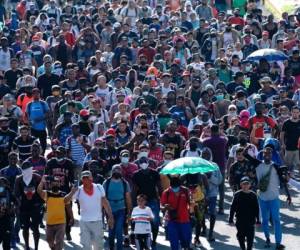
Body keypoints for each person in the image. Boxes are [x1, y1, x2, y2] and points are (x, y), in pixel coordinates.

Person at [244, 147, 290, 250]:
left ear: (272, 155)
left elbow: (284, 181)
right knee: (264, 220)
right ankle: (268, 239)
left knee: (276, 220)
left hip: (274, 198)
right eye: (265, 153)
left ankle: (278, 243)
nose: (267, 155)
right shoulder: (258, 164)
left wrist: (289, 195)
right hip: (262, 198)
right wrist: (248, 147)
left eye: (269, 153)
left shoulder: (276, 167)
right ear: (262, 154)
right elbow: (245, 154)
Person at [74, 170, 114, 250]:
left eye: (87, 178)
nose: (86, 180)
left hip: (97, 221)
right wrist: (72, 191)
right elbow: (68, 201)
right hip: (84, 222)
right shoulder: (78, 190)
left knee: (98, 246)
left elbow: (105, 203)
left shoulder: (99, 187)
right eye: (84, 178)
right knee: (86, 246)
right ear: (82, 179)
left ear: (91, 178)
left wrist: (110, 217)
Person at [37, 175, 77, 250]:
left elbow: (68, 206)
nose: (55, 184)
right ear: (50, 184)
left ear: (59, 184)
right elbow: (39, 191)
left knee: (59, 242)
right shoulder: (47, 194)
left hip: (61, 222)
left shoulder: (63, 194)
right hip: (50, 223)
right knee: (49, 240)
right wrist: (42, 181)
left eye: (57, 182)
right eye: (53, 183)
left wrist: (72, 218)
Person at [14, 161, 43, 250]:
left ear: (32, 169)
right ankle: (27, 246)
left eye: (28, 169)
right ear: (22, 170)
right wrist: (18, 206)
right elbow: (16, 194)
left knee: (36, 228)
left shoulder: (37, 178)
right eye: (25, 170)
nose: (27, 172)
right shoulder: (18, 179)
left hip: (36, 205)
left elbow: (42, 192)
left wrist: (43, 205)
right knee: (25, 228)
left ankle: (36, 247)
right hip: (24, 206)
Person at [103, 165, 132, 250]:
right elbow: (102, 197)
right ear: (112, 171)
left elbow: (128, 198)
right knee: (111, 231)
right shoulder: (106, 182)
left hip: (121, 209)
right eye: (115, 170)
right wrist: (102, 210)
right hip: (109, 210)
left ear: (121, 172)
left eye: (119, 170)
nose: (117, 171)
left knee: (119, 230)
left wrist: (129, 212)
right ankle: (111, 247)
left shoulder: (124, 183)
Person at [160, 175, 192, 250]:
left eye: (176, 187)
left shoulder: (186, 190)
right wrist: (165, 207)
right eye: (173, 187)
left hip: (185, 220)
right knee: (173, 242)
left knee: (186, 242)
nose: (175, 189)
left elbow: (191, 203)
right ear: (170, 186)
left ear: (180, 185)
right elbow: (161, 207)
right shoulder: (166, 192)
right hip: (172, 221)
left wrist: (192, 202)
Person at [229, 176, 260, 250]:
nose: (245, 185)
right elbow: (232, 208)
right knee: (241, 237)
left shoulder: (253, 195)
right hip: (240, 220)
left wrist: (258, 220)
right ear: (240, 185)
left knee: (250, 239)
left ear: (250, 185)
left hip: (251, 221)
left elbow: (257, 208)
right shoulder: (237, 195)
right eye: (243, 184)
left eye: (247, 184)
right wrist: (231, 219)